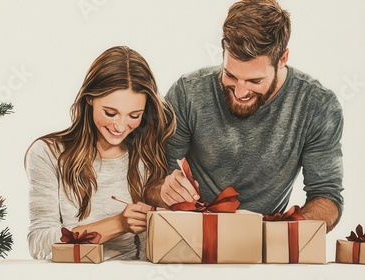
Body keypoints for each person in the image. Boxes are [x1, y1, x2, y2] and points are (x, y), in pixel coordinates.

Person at [146, 0, 343, 232]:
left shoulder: (318, 106)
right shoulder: (187, 93)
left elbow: (327, 197)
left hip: (265, 248)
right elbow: (150, 183)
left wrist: (283, 232)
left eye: (254, 81)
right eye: (230, 75)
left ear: (282, 59)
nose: (240, 91)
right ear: (223, 51)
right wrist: (164, 191)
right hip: (192, 237)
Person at [25, 46, 176, 260]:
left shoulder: (146, 157)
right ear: (89, 99)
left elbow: (150, 255)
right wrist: (118, 224)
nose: (120, 126)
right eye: (110, 113)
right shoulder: (48, 153)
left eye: (134, 115)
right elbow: (40, 244)